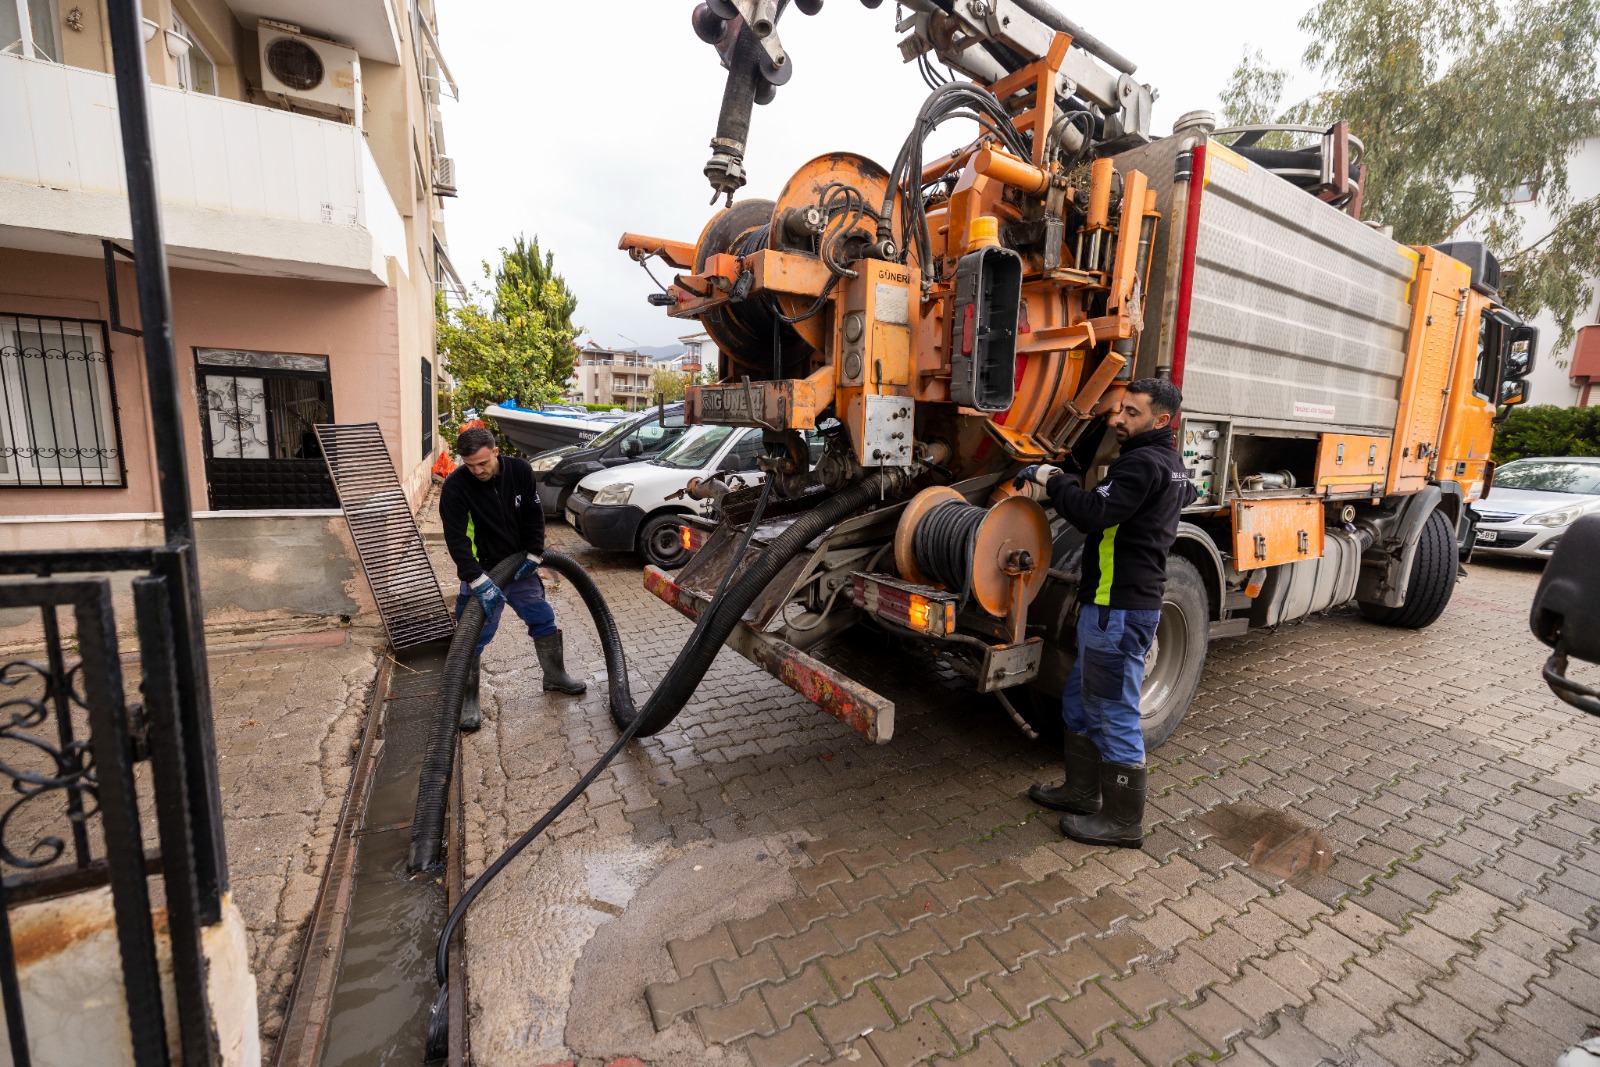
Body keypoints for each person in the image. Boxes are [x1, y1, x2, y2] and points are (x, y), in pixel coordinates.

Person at [1015, 378, 1197, 849]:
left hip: (1120, 610)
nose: (1118, 419)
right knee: (1079, 702)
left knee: (1113, 711)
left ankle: (1122, 821)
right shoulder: (1170, 465)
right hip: (1109, 607)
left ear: (1161, 421)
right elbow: (1187, 494)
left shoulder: (1140, 465)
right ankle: (1080, 791)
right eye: (1120, 409)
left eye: (1131, 413)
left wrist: (1053, 480)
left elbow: (1092, 513)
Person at [440, 427, 586, 720]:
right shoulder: (456, 486)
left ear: (495, 452)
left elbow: (534, 513)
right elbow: (456, 538)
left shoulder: (519, 470)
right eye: (470, 465)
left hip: (519, 567)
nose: (477, 471)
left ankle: (555, 676)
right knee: (473, 634)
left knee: (542, 618)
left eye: (483, 463)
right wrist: (476, 578)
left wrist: (534, 554)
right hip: (482, 572)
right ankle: (467, 700)